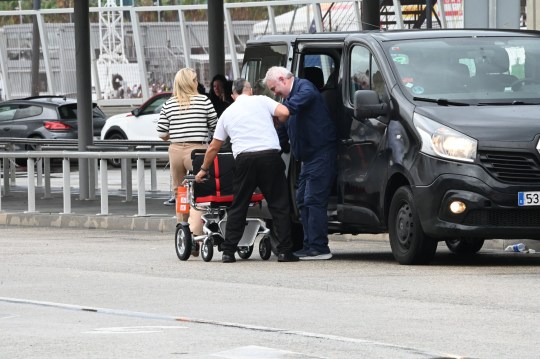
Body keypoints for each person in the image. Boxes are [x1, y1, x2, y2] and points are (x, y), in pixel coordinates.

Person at [194, 78, 298, 263]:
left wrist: (203, 170)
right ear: (249, 90)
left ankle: (228, 251)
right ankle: (284, 251)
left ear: (234, 94)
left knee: (239, 205)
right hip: (270, 157)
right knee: (279, 205)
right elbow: (284, 111)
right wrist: (276, 123)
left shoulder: (228, 112)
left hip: (244, 160)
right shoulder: (262, 100)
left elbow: (214, 147)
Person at [264, 66, 337, 260]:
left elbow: (289, 110)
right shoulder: (287, 100)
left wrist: (279, 111)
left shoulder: (305, 88)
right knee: (303, 201)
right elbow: (283, 130)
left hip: (320, 155)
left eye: (274, 88)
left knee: (313, 200)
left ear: (282, 78)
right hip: (307, 159)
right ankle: (309, 244)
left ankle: (319, 247)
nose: (275, 93)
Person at [157, 67, 218, 237]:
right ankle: (197, 233)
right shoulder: (204, 101)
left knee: (180, 191)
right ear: (192, 83)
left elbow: (162, 133)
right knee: (200, 191)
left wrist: (176, 133)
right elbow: (216, 128)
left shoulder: (169, 104)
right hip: (198, 151)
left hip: (176, 150)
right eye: (195, 79)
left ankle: (182, 231)